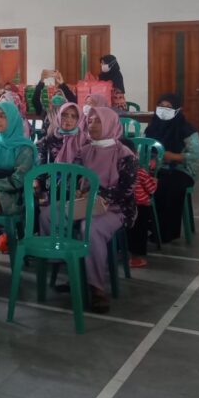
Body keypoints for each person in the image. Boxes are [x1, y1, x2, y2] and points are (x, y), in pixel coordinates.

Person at [72, 107, 137, 313]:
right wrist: (75, 191)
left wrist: (97, 195)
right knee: (48, 216)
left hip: (115, 208)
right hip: (84, 204)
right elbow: (73, 177)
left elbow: (126, 189)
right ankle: (71, 271)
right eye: (89, 121)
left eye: (98, 121)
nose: (92, 125)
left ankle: (97, 288)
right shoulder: (84, 150)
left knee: (90, 228)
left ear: (110, 123)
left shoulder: (124, 154)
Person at [144, 93, 199, 243]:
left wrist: (173, 156)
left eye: (169, 107)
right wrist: (152, 159)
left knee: (166, 186)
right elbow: (145, 149)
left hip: (181, 170)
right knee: (141, 184)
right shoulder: (152, 128)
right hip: (157, 169)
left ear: (177, 110)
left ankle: (166, 232)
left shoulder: (187, 129)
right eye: (161, 106)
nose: (164, 110)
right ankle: (149, 226)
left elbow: (195, 155)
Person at [0, 102, 35, 219]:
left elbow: (19, 180)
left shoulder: (24, 148)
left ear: (13, 120)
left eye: (2, 116)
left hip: (12, 196)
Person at [120, 137, 157, 268]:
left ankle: (123, 250)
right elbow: (151, 190)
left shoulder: (116, 171)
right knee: (140, 232)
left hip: (123, 206)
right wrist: (154, 181)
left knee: (128, 231)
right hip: (140, 207)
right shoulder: (140, 171)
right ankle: (136, 257)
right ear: (135, 155)